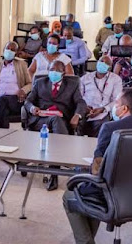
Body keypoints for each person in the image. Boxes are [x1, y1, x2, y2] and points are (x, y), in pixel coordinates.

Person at [61, 88, 132, 244]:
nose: (114, 106)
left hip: (113, 193)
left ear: (124, 109)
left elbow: (97, 167)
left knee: (72, 194)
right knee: (90, 192)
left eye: (117, 103)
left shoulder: (110, 127)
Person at [24, 60, 88, 191]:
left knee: (56, 121)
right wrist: (32, 109)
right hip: (40, 121)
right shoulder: (40, 82)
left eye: (58, 70)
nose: (54, 72)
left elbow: (81, 102)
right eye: (52, 69)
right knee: (54, 120)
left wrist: (77, 115)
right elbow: (28, 101)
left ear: (63, 72)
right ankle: (60, 160)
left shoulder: (72, 84)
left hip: (63, 120)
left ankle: (54, 171)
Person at [0, 41, 32, 128]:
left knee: (2, 100)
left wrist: (23, 90)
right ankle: (3, 132)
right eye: (7, 48)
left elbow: (30, 83)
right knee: (3, 109)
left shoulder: (22, 64)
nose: (9, 51)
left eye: (13, 50)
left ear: (16, 53)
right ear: (3, 50)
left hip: (16, 100)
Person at [79, 55, 122, 137]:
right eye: (101, 61)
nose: (102, 63)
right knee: (78, 121)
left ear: (110, 67)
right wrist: (84, 107)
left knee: (101, 125)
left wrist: (103, 109)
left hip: (103, 111)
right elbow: (78, 96)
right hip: (85, 109)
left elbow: (116, 100)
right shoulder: (85, 78)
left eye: (106, 63)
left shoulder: (116, 79)